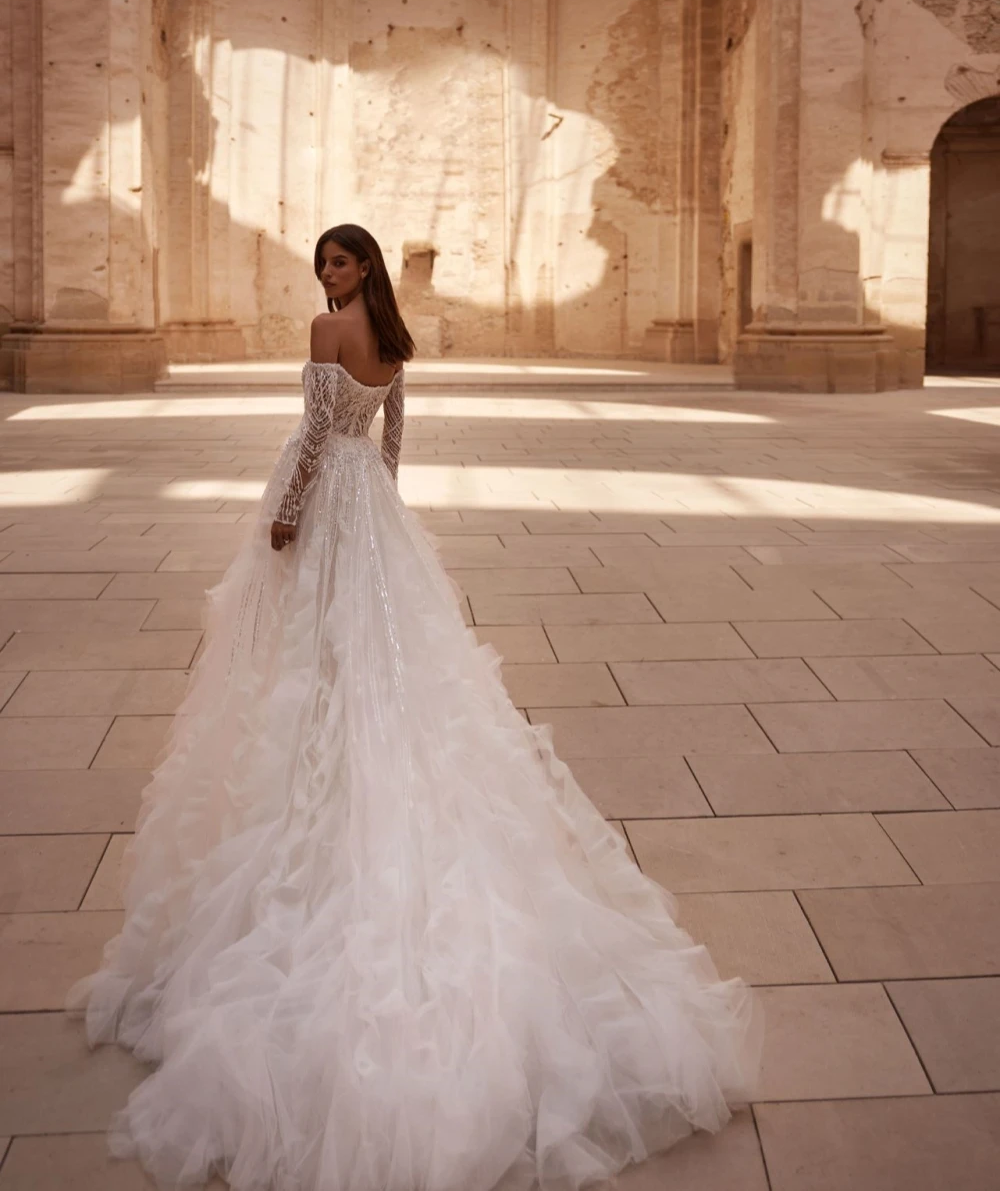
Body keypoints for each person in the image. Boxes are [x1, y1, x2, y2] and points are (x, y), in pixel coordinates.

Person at [68, 224, 762, 1191]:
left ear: (365, 270)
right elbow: (392, 427)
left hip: (330, 501)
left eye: (341, 262)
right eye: (325, 262)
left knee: (320, 644)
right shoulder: (390, 337)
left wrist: (290, 512)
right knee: (380, 647)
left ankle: (328, 755)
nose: (328, 274)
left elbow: (314, 437)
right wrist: (381, 493)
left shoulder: (326, 331)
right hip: (374, 507)